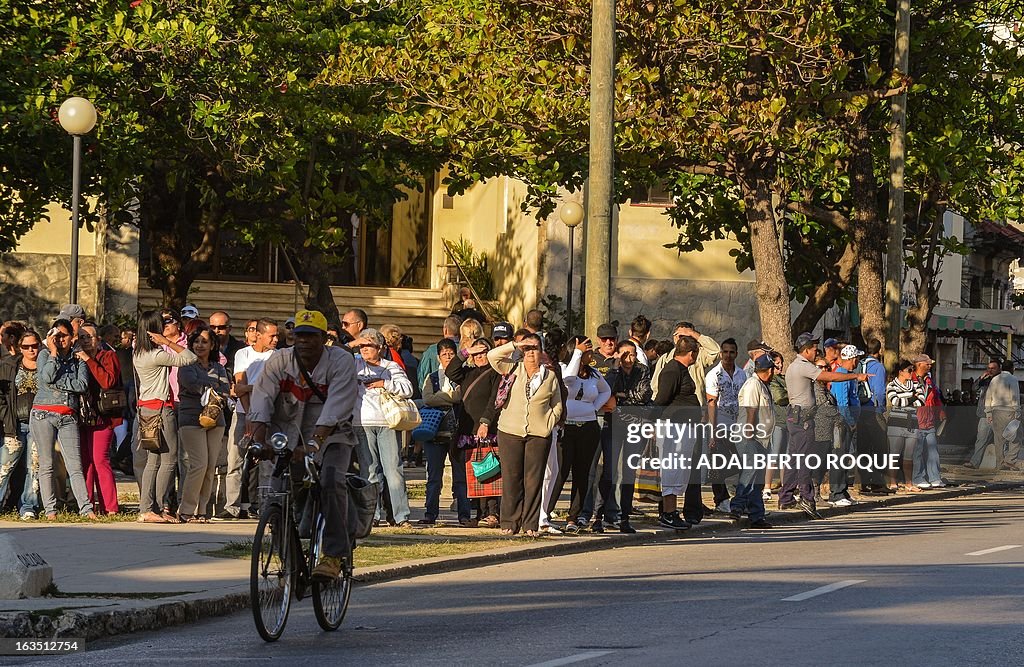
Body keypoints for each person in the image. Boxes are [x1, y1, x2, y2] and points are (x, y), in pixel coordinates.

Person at [248, 309, 359, 581]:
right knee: (278, 496)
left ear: (324, 338)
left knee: (331, 481)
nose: (304, 342)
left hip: (332, 435)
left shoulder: (341, 361)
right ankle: (289, 558)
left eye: (311, 336)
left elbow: (336, 407)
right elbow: (261, 399)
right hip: (289, 435)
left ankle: (333, 555)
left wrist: (313, 445)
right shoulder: (279, 361)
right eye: (299, 336)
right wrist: (257, 441)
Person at [781, 332, 868, 518]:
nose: (816, 351)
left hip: (797, 416)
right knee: (806, 459)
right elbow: (830, 377)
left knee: (795, 458)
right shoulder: (802, 366)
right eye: (813, 348)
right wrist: (855, 376)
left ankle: (786, 497)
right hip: (802, 417)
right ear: (805, 350)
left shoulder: (797, 366)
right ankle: (806, 498)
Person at [487, 333, 563, 536]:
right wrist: (515, 344)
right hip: (510, 431)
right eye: (527, 349)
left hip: (539, 434)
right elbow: (492, 356)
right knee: (512, 478)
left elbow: (557, 403)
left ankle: (530, 525)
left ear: (541, 352)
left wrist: (549, 422)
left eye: (535, 348)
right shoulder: (512, 368)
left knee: (534, 480)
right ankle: (510, 522)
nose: (531, 353)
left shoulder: (549, 376)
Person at [134, 310, 198, 524]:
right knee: (169, 459)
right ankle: (161, 507)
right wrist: (167, 342)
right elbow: (190, 357)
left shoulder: (139, 353)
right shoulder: (156, 355)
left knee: (153, 460)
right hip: (161, 409)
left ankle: (146, 508)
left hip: (146, 409)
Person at [31, 319, 95, 520]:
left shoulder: (78, 358)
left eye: (64, 335)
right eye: (55, 336)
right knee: (47, 464)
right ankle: (50, 510)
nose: (60, 339)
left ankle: (86, 509)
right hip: (42, 413)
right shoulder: (44, 355)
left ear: (71, 337)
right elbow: (46, 377)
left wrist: (59, 383)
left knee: (74, 466)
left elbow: (82, 385)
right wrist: (52, 353)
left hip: (68, 415)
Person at [549, 336, 611, 534]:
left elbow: (606, 391)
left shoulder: (593, 374)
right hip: (567, 427)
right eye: (587, 350)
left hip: (588, 426)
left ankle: (573, 517)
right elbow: (568, 380)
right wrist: (576, 353)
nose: (591, 354)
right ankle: (546, 512)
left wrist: (593, 407)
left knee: (582, 473)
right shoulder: (563, 368)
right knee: (560, 471)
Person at [353, 328, 415, 527]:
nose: (364, 349)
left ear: (379, 348)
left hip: (387, 422)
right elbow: (333, 354)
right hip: (361, 423)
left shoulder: (391, 366)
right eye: (361, 346)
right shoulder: (353, 363)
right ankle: (372, 515)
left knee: (393, 470)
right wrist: (353, 344)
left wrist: (384, 383)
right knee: (369, 471)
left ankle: (401, 516)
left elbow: (408, 389)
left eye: (368, 345)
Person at [222, 319, 279, 520]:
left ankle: (265, 505)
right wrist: (249, 414)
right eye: (272, 335)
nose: (275, 339)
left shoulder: (278, 357)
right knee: (235, 458)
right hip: (243, 412)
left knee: (266, 460)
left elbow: (275, 388)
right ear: (259, 335)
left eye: (276, 335)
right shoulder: (243, 354)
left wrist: (251, 389)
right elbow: (239, 386)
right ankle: (232, 505)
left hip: (270, 414)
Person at [176, 327, 232, 523]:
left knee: (209, 467)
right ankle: (186, 509)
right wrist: (211, 387)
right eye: (196, 341)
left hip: (216, 419)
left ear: (212, 345)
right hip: (191, 418)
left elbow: (226, 389)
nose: (200, 345)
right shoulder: (186, 364)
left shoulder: (218, 367)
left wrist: (209, 387)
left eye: (204, 341)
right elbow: (191, 385)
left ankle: (201, 511)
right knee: (198, 464)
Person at [446, 337, 502, 527]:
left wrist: (485, 422)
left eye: (483, 352)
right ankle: (478, 514)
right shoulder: (467, 373)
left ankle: (493, 513)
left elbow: (494, 400)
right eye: (476, 353)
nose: (479, 356)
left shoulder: (496, 373)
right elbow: (450, 370)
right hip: (467, 431)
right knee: (475, 474)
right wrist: (465, 352)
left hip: (487, 429)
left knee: (490, 471)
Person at [419, 338, 472, 526]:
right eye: (444, 354)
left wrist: (440, 397)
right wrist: (448, 398)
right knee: (433, 476)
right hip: (435, 432)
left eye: (451, 354)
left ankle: (464, 514)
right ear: (438, 357)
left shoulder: (461, 376)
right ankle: (430, 513)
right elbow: (427, 399)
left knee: (460, 477)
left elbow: (459, 396)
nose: (448, 357)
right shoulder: (432, 377)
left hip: (457, 433)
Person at [653, 334, 703, 530]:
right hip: (673, 428)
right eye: (697, 353)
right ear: (691, 353)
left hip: (685, 427)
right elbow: (661, 399)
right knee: (671, 470)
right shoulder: (672, 370)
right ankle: (668, 512)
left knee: (680, 470)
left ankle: (673, 511)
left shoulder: (683, 370)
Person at [603, 338, 652, 533]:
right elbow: (607, 392)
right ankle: (608, 515)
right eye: (624, 354)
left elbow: (644, 395)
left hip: (635, 424)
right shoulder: (613, 369)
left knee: (629, 472)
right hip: (614, 423)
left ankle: (624, 516)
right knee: (611, 471)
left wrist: (623, 396)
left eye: (631, 354)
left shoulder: (642, 369)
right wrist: (616, 368)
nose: (628, 359)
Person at [76, 323, 122, 515]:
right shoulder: (75, 358)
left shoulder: (108, 356)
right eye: (82, 337)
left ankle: (110, 507)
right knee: (86, 461)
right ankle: (88, 507)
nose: (86, 340)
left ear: (99, 339)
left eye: (90, 336)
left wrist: (88, 359)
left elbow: (108, 381)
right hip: (82, 416)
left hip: (103, 416)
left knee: (100, 459)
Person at [730, 354, 776, 528]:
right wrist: (749, 430)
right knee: (751, 470)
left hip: (761, 439)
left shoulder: (763, 385)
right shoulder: (753, 384)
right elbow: (751, 409)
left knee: (757, 476)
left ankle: (756, 516)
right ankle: (737, 506)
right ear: (769, 370)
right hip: (749, 436)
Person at [705, 338, 746, 514]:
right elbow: (711, 403)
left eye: (732, 352)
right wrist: (713, 432)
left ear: (736, 353)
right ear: (721, 353)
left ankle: (740, 498)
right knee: (719, 463)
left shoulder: (742, 374)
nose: (728, 355)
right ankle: (720, 499)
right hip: (720, 424)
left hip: (738, 425)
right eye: (725, 352)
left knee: (742, 463)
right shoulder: (714, 375)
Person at [0, 330, 39, 516]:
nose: (31, 350)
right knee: (4, 466)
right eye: (26, 346)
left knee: (34, 468)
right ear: (19, 348)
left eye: (35, 345)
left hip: (39, 424)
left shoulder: (46, 364)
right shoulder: (9, 365)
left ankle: (28, 506)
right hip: (15, 424)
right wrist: (6, 415)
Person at [886, 359, 925, 492]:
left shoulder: (915, 384)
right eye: (909, 370)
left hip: (912, 423)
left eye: (912, 370)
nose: (911, 373)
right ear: (901, 372)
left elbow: (922, 402)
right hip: (896, 423)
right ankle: (893, 482)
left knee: (909, 455)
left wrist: (909, 400)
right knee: (894, 454)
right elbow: (896, 402)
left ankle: (909, 483)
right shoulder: (891, 385)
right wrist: (913, 398)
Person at [911, 354, 946, 488]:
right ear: (919, 364)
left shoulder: (929, 381)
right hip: (917, 420)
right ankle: (918, 477)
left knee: (933, 451)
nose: (930, 366)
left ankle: (935, 477)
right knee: (918, 451)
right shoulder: (911, 379)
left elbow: (935, 398)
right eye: (927, 364)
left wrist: (940, 411)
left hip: (929, 420)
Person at [985, 359, 1022, 471]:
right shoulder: (1013, 379)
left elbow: (988, 396)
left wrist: (988, 412)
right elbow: (1015, 396)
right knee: (1017, 437)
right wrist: (1017, 411)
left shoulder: (995, 379)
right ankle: (1010, 461)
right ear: (1012, 369)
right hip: (1009, 410)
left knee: (999, 439)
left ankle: (1000, 464)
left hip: (996, 411)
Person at [964, 359, 1001, 469]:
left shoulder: (1001, 380)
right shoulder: (985, 380)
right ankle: (975, 462)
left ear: (999, 369)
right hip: (985, 414)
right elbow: (974, 388)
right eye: (989, 368)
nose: (990, 370)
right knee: (981, 439)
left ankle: (1002, 463)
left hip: (998, 414)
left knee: (1001, 440)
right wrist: (981, 378)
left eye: (993, 368)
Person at [764, 351, 788, 500]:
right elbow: (779, 398)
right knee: (773, 455)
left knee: (785, 457)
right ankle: (767, 486)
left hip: (788, 420)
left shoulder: (784, 379)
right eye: (776, 363)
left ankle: (786, 487)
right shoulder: (772, 381)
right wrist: (790, 393)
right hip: (777, 421)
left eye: (781, 362)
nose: (779, 366)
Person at [417, 315, 462, 389]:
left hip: (434, 394)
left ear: (445, 330)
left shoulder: (431, 351)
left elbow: (422, 376)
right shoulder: (464, 351)